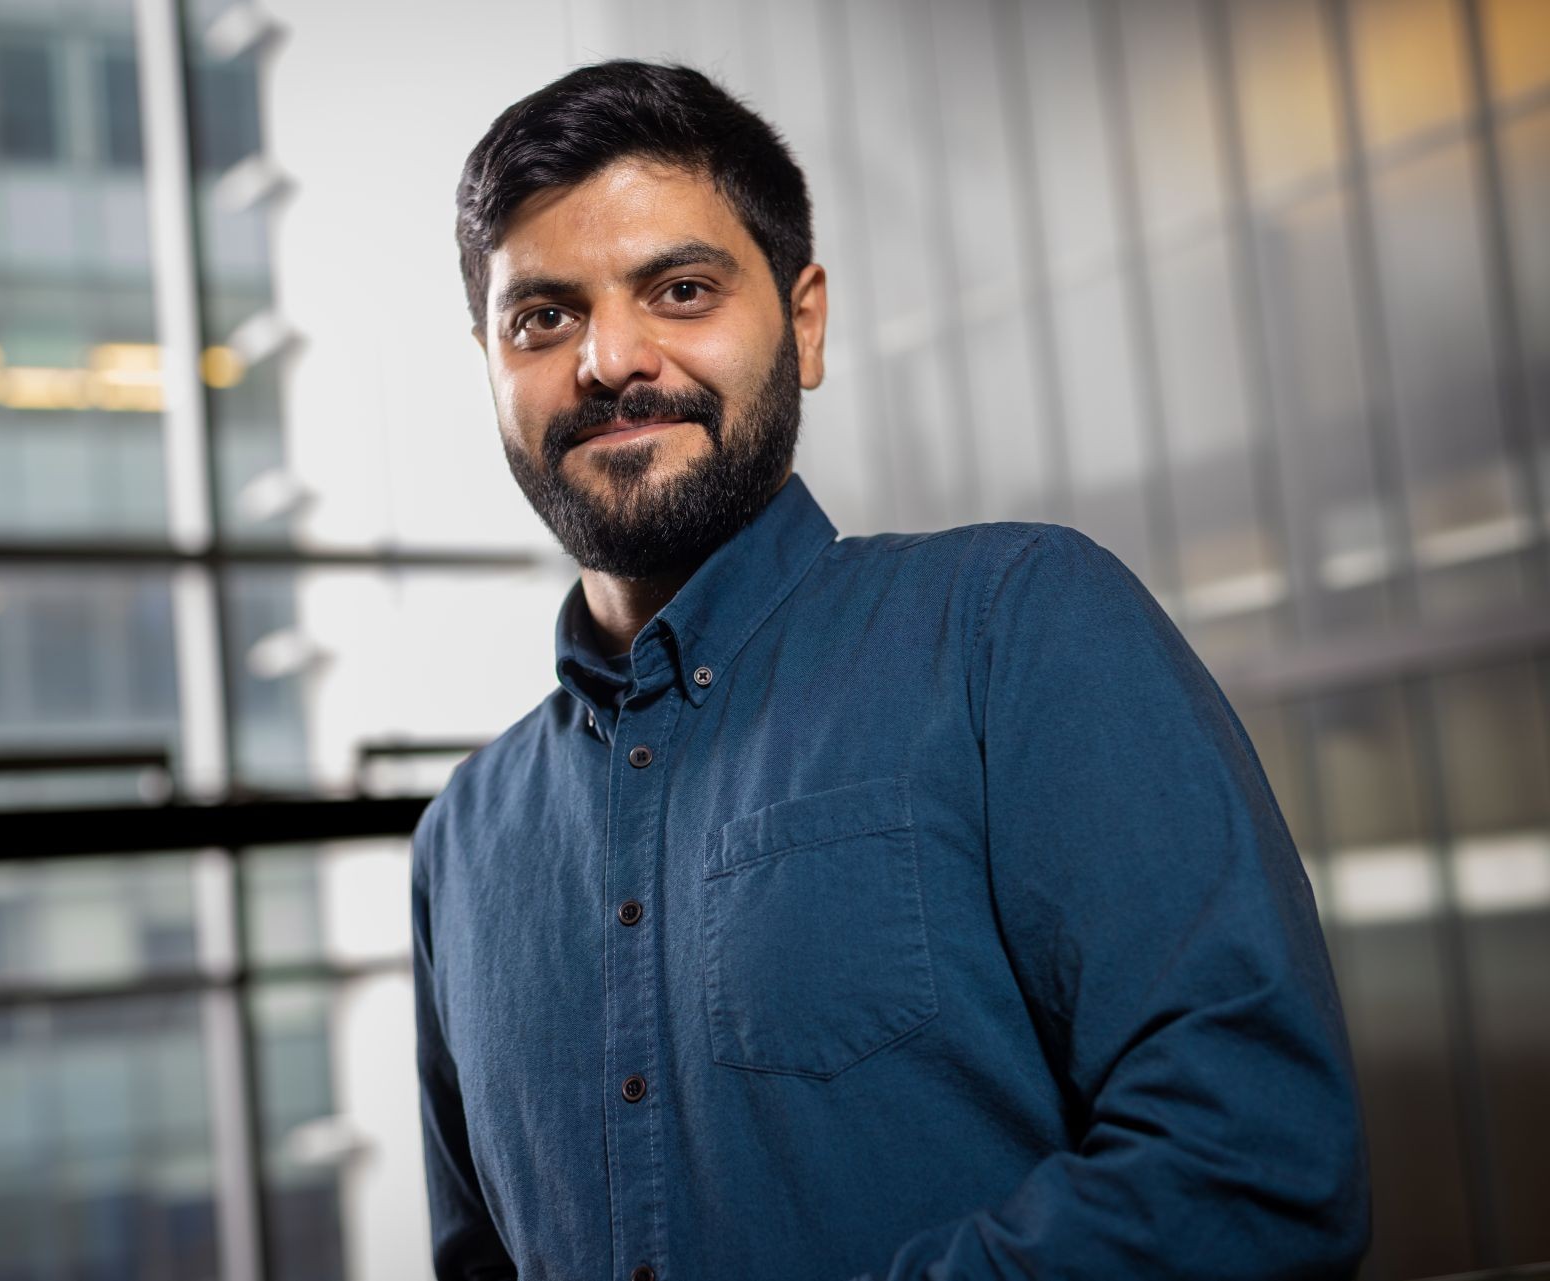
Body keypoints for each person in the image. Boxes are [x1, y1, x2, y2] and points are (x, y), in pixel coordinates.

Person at [410, 59, 1369, 1281]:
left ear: (803, 323)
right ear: (489, 366)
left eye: (681, 290)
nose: (610, 358)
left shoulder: (1015, 626)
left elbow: (1256, 1167)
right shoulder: (460, 846)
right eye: (543, 318)